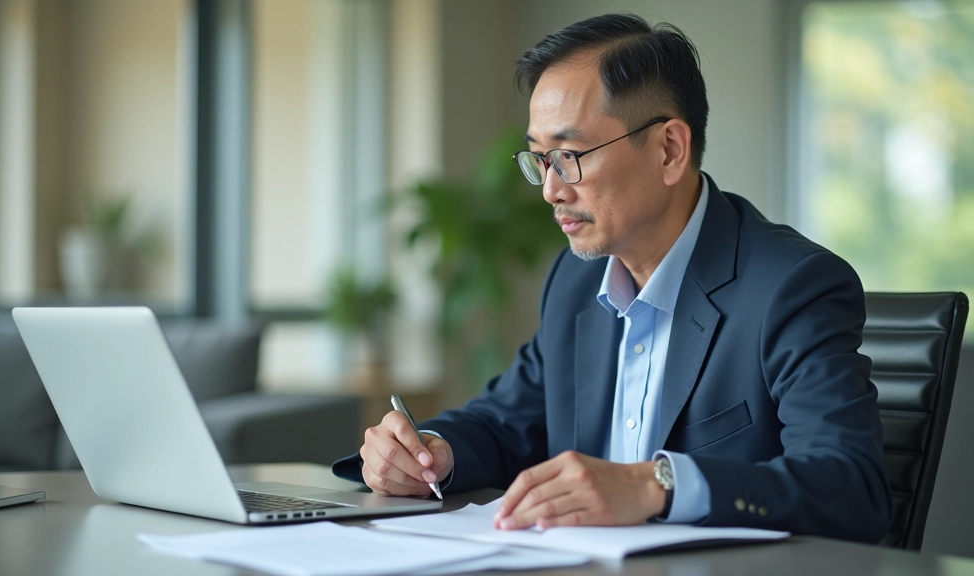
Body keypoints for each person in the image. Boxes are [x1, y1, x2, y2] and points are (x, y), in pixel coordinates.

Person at [333, 12, 891, 543]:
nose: (551, 189)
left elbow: (851, 487)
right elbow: (506, 422)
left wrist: (656, 485)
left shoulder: (791, 286)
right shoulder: (575, 284)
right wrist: (432, 452)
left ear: (670, 149)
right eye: (538, 160)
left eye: (570, 155)